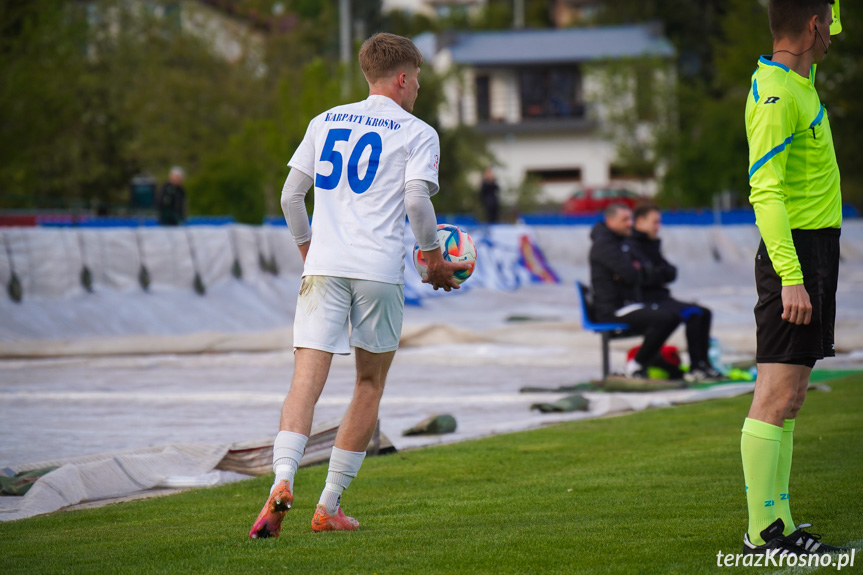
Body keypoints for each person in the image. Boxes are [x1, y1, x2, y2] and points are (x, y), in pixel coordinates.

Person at [249, 33, 469, 539]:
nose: (417, 90)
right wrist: (433, 257)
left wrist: (307, 247)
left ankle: (282, 480)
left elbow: (289, 197)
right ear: (403, 79)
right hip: (377, 271)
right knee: (368, 384)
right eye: (417, 81)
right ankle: (328, 506)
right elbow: (417, 202)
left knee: (305, 381)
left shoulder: (323, 121)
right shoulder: (418, 131)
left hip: (323, 266)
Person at [740, 0, 847, 556]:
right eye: (828, 23)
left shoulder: (800, 80)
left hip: (816, 250)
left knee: (794, 397)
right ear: (812, 26)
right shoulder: (779, 93)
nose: (835, 32)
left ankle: (779, 522)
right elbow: (766, 191)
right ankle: (763, 532)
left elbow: (824, 21)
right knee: (775, 396)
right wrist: (791, 276)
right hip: (796, 256)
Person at [626, 204, 723, 382]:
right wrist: (658, 273)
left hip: (661, 297)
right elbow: (643, 276)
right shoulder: (632, 245)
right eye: (655, 222)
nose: (658, 226)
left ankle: (702, 364)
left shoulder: (651, 244)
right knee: (693, 313)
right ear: (640, 222)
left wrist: (657, 273)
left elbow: (670, 272)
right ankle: (696, 367)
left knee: (704, 312)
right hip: (648, 300)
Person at [588, 203, 681, 380]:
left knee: (672, 315)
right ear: (610, 220)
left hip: (627, 303)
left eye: (630, 218)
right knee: (665, 318)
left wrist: (637, 270)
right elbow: (632, 275)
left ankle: (642, 364)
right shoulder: (605, 246)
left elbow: (637, 271)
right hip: (612, 309)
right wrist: (636, 270)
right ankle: (635, 366)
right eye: (625, 219)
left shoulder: (618, 242)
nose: (630, 223)